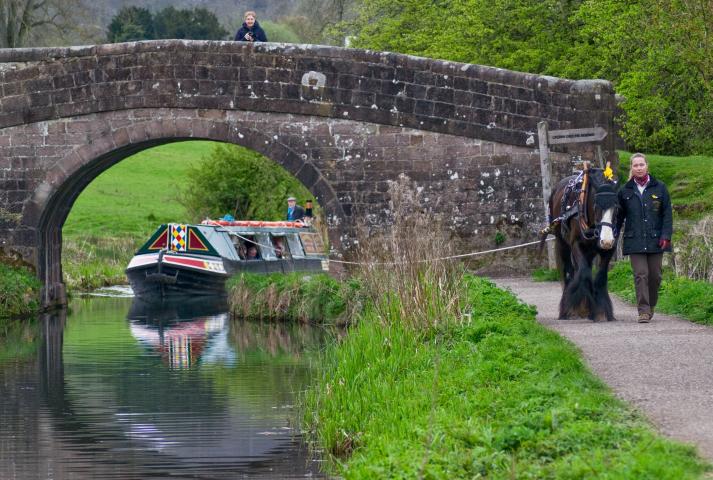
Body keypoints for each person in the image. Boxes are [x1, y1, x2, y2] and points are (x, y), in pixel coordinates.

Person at [616, 152, 673, 323]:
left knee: (655, 276)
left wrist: (666, 235)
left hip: (656, 240)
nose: (639, 168)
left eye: (641, 165)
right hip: (635, 241)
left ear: (647, 166)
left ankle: (652, 305)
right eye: (635, 165)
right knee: (641, 274)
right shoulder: (624, 191)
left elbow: (667, 214)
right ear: (631, 168)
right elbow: (618, 217)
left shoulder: (660, 187)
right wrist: (611, 235)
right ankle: (643, 311)